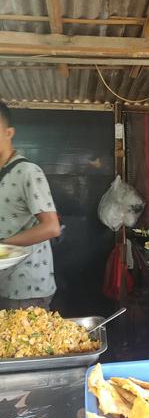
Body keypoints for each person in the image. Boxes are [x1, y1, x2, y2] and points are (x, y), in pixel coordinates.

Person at [0, 102, 60, 310]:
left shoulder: (28, 172)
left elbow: (51, 227)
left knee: (26, 341)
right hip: (4, 284)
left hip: (27, 288)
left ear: (9, 132)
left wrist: (3, 244)